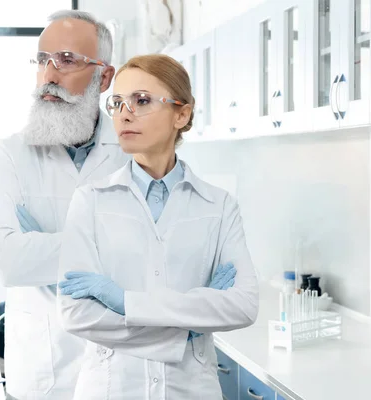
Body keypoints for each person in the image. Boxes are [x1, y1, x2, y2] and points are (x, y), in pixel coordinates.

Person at [57, 54, 259, 399]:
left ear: (182, 114)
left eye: (142, 100)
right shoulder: (90, 200)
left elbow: (242, 305)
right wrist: (187, 327)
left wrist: (125, 303)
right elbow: (77, 314)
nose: (124, 112)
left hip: (190, 389)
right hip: (112, 388)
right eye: (117, 101)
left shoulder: (219, 205)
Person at [0, 10, 131, 400]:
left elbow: (154, 259)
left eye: (66, 60)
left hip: (121, 372)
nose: (49, 76)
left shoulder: (134, 155)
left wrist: (42, 245)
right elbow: (10, 262)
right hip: (40, 375)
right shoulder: (10, 155)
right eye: (42, 60)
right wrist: (109, 242)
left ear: (104, 77)